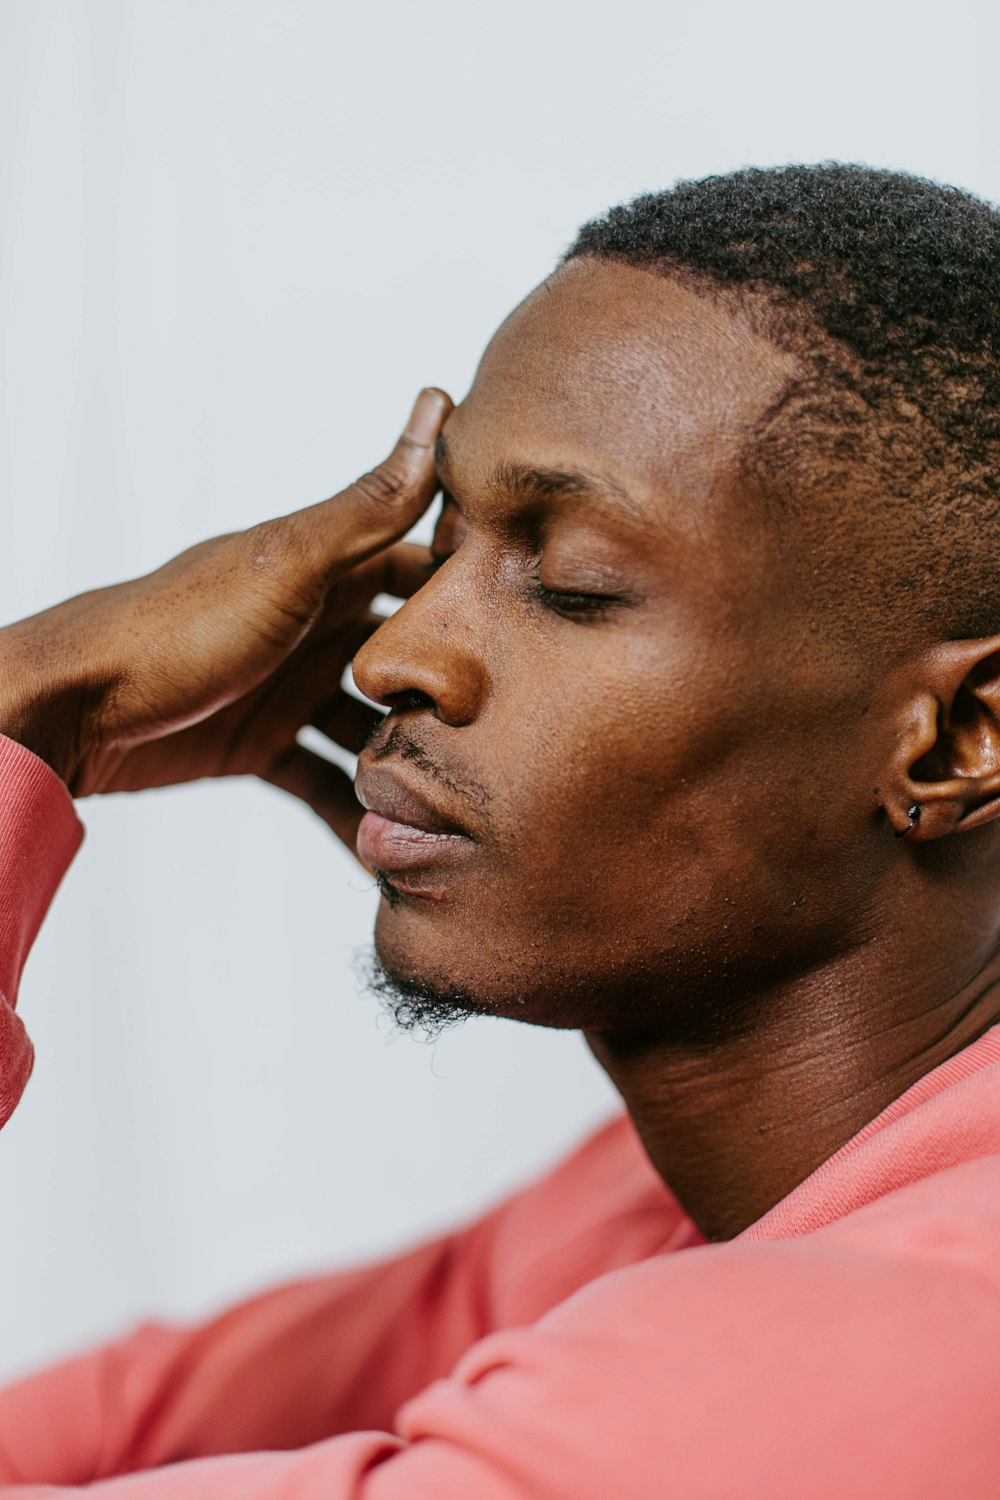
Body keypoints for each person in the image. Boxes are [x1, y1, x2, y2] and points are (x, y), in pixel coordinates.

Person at [1, 162, 999, 1497]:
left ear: (956, 739)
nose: (394, 654)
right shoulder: (636, 1207)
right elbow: (115, 1418)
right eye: (443, 541)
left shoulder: (890, 1346)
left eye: (573, 583)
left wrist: (31, 704)